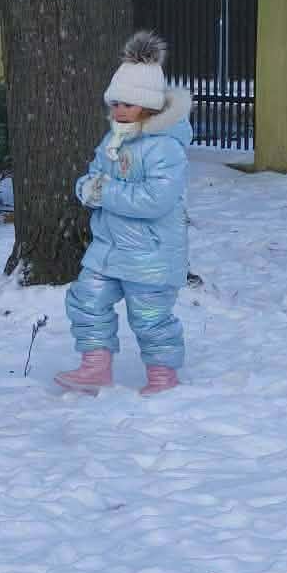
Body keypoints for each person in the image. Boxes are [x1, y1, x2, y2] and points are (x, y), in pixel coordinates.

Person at [55, 30, 191, 397]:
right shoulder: (113, 140)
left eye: (127, 104)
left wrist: (105, 192)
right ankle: (95, 366)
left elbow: (156, 200)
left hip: (150, 254)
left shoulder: (165, 148)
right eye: (115, 103)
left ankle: (163, 376)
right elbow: (93, 176)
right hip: (108, 248)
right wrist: (86, 189)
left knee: (150, 317)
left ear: (148, 106)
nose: (118, 111)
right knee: (86, 299)